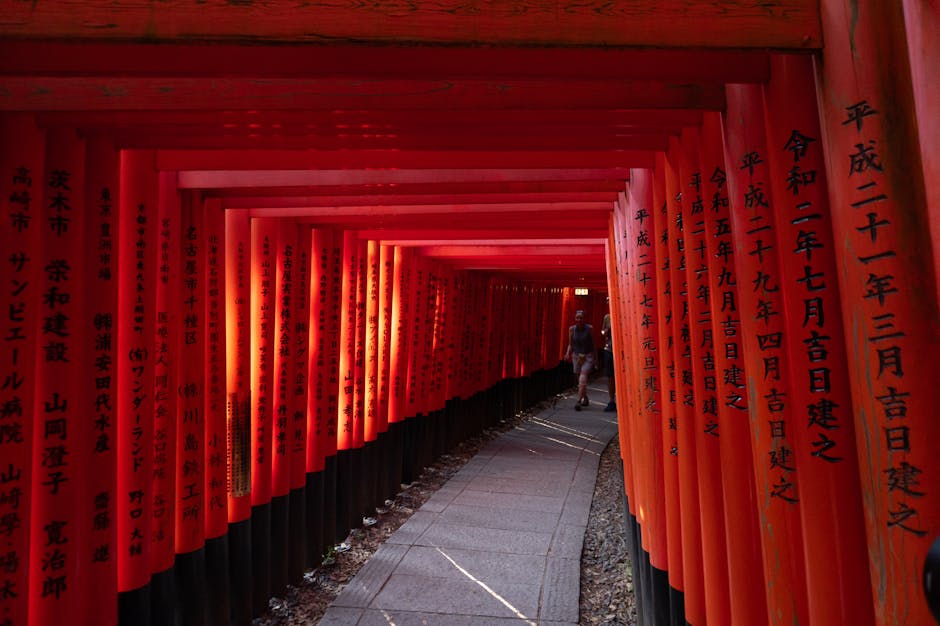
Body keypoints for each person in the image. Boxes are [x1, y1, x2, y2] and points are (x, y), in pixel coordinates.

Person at [564, 309, 596, 410]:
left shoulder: (590, 328)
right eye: (577, 317)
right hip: (576, 356)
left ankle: (578, 401)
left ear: (584, 318)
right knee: (580, 379)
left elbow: (594, 344)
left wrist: (596, 359)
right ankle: (585, 397)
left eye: (581, 317)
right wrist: (567, 353)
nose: (579, 319)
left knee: (582, 378)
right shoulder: (571, 329)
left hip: (588, 356)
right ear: (575, 318)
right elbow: (570, 344)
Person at [601, 309, 616, 412]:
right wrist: (606, 331)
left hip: (622, 349)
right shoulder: (607, 317)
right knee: (610, 376)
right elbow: (602, 331)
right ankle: (611, 400)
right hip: (609, 349)